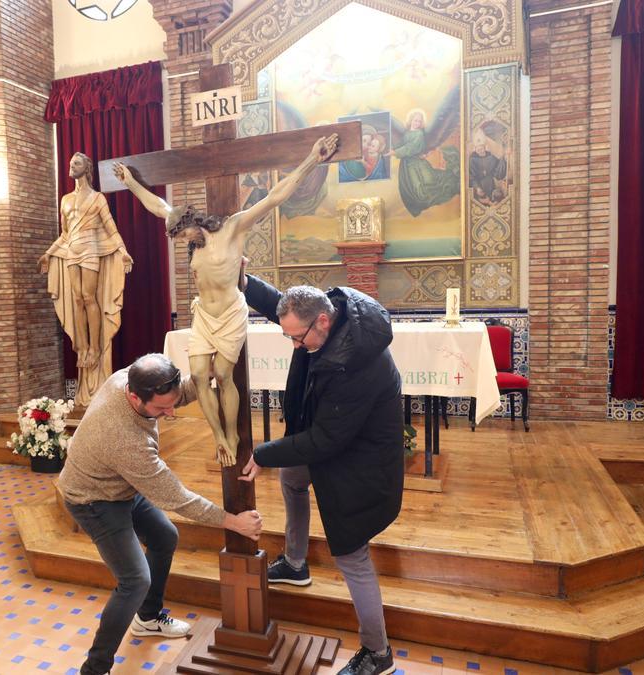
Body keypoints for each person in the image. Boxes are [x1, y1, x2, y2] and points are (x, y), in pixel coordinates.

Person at [114, 135, 340, 467]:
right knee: (199, 373)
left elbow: (274, 197)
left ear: (191, 223)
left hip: (231, 311)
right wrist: (131, 181)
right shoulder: (184, 231)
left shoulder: (233, 229)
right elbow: (156, 205)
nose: (182, 242)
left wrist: (311, 159)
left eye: (182, 236)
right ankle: (218, 435)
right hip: (205, 313)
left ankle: (231, 433)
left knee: (222, 374)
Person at [56, 353, 264, 675]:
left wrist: (209, 372)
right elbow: (175, 496)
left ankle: (148, 619)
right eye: (161, 409)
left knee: (164, 536)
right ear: (134, 396)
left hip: (121, 485)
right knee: (135, 580)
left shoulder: (134, 377)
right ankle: (95, 669)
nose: (170, 413)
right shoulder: (124, 438)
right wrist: (233, 522)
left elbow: (177, 391)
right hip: (92, 498)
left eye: (172, 404)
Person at [238, 278, 404, 675]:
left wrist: (263, 454)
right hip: (328, 443)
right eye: (289, 336)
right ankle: (296, 564)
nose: (295, 346)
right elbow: (281, 303)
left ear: (324, 323)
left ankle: (377, 652)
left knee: (352, 556)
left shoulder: (359, 364)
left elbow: (326, 439)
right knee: (293, 480)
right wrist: (243, 281)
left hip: (360, 466)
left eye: (298, 338)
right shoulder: (317, 315)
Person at [39, 152, 134, 406]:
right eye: (70, 163)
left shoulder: (97, 198)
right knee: (77, 299)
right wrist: (48, 254)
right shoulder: (66, 199)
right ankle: (81, 347)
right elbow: (65, 233)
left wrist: (123, 252)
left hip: (92, 249)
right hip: (72, 251)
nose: (71, 166)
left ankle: (94, 348)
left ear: (87, 168)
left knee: (90, 297)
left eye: (77, 163)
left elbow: (111, 227)